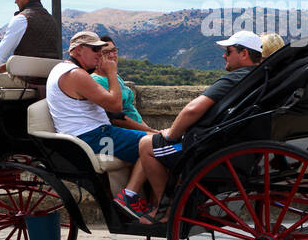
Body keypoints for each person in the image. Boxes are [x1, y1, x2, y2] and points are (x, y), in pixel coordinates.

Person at [118, 30, 266, 223]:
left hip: (209, 149)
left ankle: (168, 210)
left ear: (244, 53)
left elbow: (192, 110)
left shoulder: (235, 78)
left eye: (228, 51)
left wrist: (171, 134)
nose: (224, 56)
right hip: (241, 147)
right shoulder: (261, 78)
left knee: (147, 145)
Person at [45, 31, 151, 219]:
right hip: (93, 138)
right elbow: (115, 104)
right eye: (95, 49)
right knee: (153, 144)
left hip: (93, 134)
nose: (99, 54)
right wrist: (112, 72)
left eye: (101, 50)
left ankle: (141, 197)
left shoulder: (65, 70)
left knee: (153, 141)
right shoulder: (75, 74)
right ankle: (130, 197)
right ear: (78, 50)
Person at [93, 40, 153, 132]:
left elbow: (130, 109)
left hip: (139, 129)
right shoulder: (96, 80)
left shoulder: (115, 77)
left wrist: (149, 129)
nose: (112, 55)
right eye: (105, 52)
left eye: (114, 50)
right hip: (125, 132)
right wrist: (150, 132)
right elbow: (116, 118)